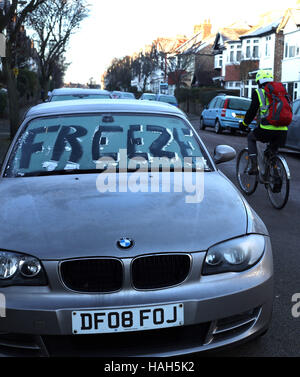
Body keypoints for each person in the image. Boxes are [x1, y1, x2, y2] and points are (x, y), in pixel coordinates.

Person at [239, 70, 288, 175]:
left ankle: (253, 166)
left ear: (259, 82)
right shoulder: (281, 92)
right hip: (283, 130)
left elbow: (252, 111)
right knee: (272, 152)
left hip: (267, 129)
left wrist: (244, 124)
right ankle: (276, 175)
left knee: (251, 137)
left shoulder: (259, 92)